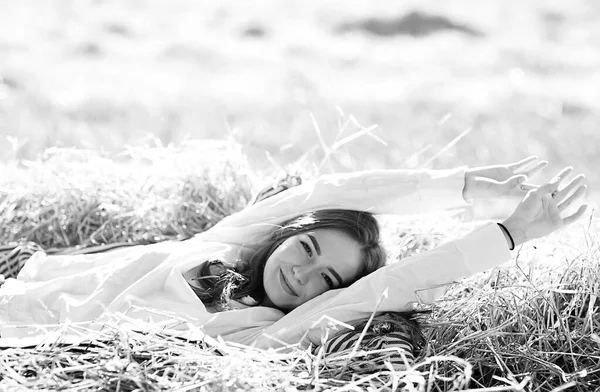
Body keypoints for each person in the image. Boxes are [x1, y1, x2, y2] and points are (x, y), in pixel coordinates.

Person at [0, 157, 588, 356]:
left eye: (324, 279)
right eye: (305, 247)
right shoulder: (228, 241)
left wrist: (507, 233)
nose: (300, 272)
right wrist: (458, 186)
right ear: (286, 232)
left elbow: (390, 286)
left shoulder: (271, 334)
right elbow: (326, 195)